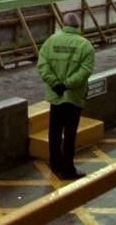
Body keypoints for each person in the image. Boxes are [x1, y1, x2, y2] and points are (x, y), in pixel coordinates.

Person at [37, 12, 96, 181]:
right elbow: (85, 71)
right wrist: (67, 84)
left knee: (54, 131)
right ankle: (67, 168)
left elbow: (42, 64)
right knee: (70, 134)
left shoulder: (51, 41)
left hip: (56, 95)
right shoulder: (85, 45)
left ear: (64, 24)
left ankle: (55, 164)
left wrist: (55, 83)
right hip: (74, 96)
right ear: (79, 26)